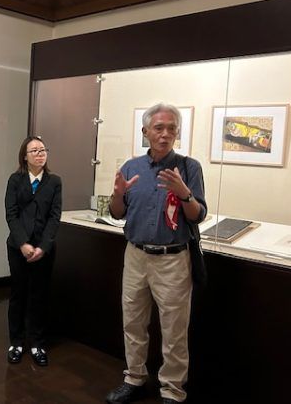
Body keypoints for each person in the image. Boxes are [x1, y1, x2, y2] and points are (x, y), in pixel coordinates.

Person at [105, 103, 206, 404]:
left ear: (177, 133)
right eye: (158, 128)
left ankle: (172, 389)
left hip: (173, 259)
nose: (165, 134)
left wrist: (184, 192)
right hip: (136, 255)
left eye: (171, 128)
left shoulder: (189, 167)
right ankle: (134, 377)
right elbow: (117, 213)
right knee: (132, 321)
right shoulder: (131, 167)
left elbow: (197, 215)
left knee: (174, 328)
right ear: (145, 131)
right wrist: (118, 194)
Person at [4, 135, 62, 367]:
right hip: (18, 247)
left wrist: (42, 247)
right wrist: (23, 244)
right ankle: (16, 342)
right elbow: (11, 214)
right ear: (25, 156)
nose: (40, 154)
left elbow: (54, 217)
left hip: (43, 249)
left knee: (39, 295)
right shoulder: (15, 180)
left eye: (43, 150)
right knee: (18, 294)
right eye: (34, 151)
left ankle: (37, 343)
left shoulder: (54, 181)